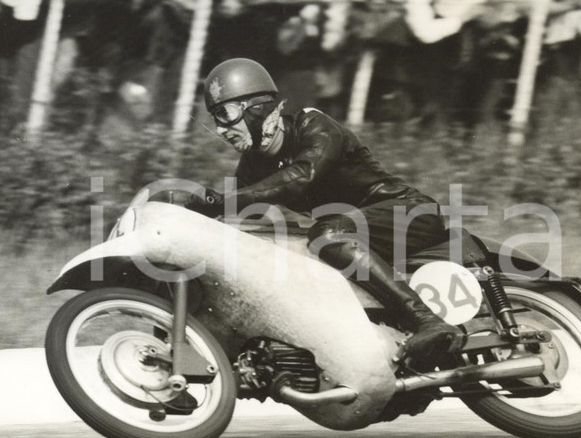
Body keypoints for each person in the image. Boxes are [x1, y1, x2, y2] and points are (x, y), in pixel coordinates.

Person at [187, 58, 466, 372]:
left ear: (255, 106)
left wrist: (220, 201)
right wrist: (189, 220)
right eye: (216, 120)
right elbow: (237, 214)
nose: (221, 130)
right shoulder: (253, 164)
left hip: (410, 212)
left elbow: (300, 177)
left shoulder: (313, 126)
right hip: (359, 232)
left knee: (326, 235)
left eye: (225, 115)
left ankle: (428, 321)